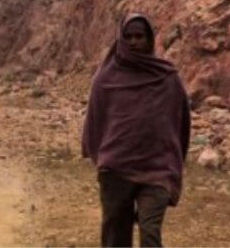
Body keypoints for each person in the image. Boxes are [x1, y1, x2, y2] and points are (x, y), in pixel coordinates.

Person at [81, 14, 190, 247]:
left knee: (150, 232)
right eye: (128, 36)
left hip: (157, 169)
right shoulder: (106, 78)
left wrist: (175, 161)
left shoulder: (167, 77)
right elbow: (95, 119)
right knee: (115, 237)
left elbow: (181, 123)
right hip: (117, 169)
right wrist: (101, 158)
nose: (133, 42)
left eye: (139, 36)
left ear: (149, 39)